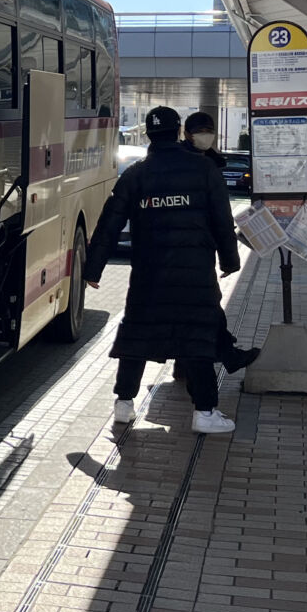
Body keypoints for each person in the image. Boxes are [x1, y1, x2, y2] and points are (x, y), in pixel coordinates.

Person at [88, 106, 242, 434]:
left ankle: (124, 404)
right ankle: (204, 412)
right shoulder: (204, 170)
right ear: (177, 132)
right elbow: (222, 221)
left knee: (137, 337)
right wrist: (230, 261)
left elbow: (109, 224)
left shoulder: (136, 175)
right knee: (198, 340)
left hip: (149, 275)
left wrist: (92, 269)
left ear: (148, 135)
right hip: (194, 274)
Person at [183, 110, 261, 374]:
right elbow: (220, 218)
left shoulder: (214, 162)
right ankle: (227, 356)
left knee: (200, 308)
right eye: (200, 131)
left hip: (196, 251)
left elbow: (221, 217)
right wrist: (229, 258)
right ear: (186, 133)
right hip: (189, 250)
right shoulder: (187, 162)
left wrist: (228, 258)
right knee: (206, 307)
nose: (205, 136)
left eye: (209, 131)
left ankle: (191, 363)